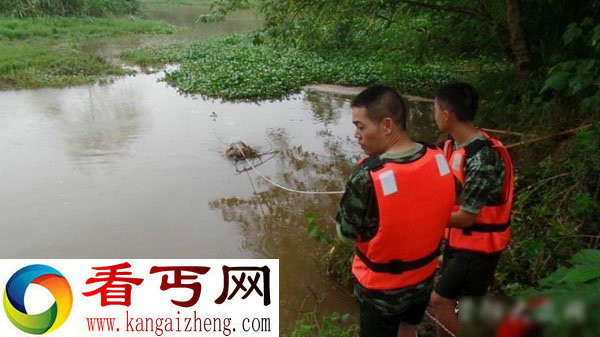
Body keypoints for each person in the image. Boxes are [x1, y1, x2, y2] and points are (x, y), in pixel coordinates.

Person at [336, 85, 456, 337]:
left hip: (381, 293)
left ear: (387, 125)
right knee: (409, 328)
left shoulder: (367, 176)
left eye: (360, 126)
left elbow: (346, 234)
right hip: (423, 279)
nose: (356, 135)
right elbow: (449, 198)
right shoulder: (437, 156)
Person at [430, 82, 515, 337]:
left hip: (478, 249)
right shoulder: (454, 145)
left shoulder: (482, 158)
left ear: (447, 115)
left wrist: (425, 220)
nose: (433, 115)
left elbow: (467, 217)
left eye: (434, 109)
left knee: (439, 299)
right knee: (463, 304)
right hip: (459, 243)